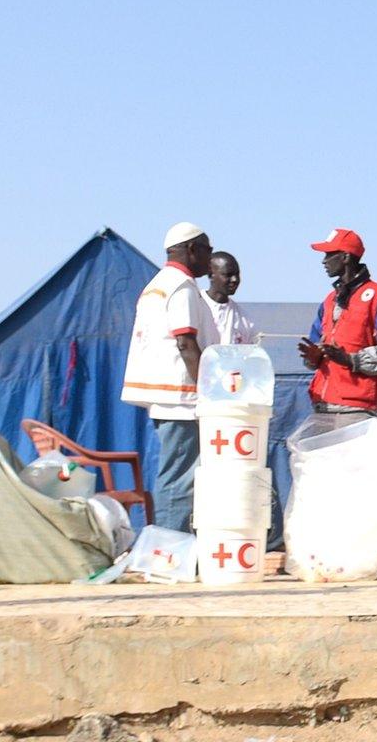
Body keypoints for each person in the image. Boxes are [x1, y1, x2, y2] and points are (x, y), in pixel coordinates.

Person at [121, 222, 217, 530]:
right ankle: (171, 549)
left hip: (168, 395)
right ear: (191, 250)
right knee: (180, 477)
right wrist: (211, 390)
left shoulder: (157, 284)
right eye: (207, 250)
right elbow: (186, 342)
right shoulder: (181, 287)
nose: (209, 258)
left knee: (174, 473)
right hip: (181, 396)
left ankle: (169, 545)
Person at [296, 228, 377, 416]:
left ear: (346, 257)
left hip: (360, 410)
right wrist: (313, 357)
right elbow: (317, 344)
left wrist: (352, 360)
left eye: (329, 254)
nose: (324, 261)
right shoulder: (329, 301)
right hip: (324, 406)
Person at [204, 251, 260, 347]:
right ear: (211, 275)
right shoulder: (195, 305)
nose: (235, 280)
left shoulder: (244, 320)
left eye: (237, 274)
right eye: (228, 275)